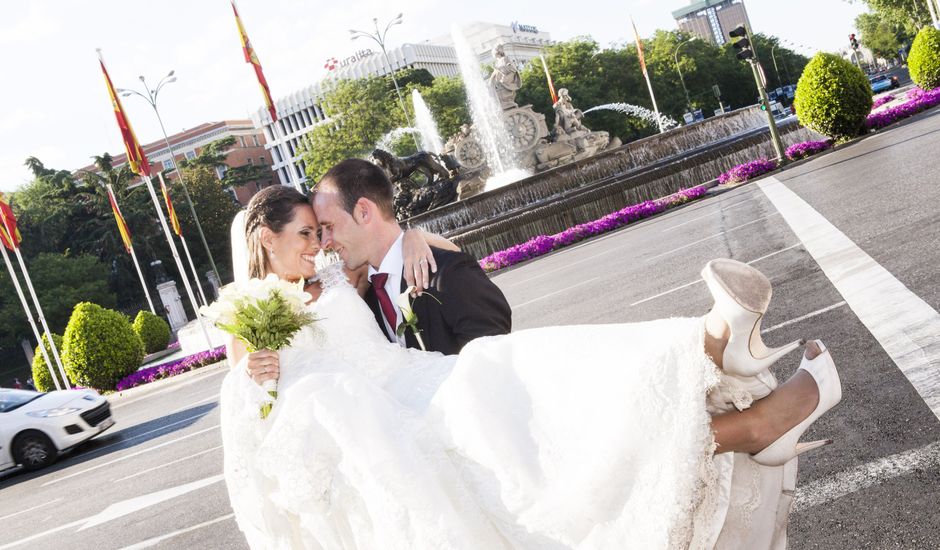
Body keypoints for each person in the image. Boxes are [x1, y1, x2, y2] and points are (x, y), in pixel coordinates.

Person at [220, 184, 842, 549]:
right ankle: (750, 426)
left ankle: (707, 345)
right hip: (391, 423)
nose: (317, 243)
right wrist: (264, 379)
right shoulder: (248, 317)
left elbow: (389, 251)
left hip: (420, 378)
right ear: (266, 238)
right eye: (305, 233)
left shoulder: (333, 277)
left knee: (525, 374)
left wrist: (413, 235)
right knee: (538, 461)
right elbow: (254, 424)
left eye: (318, 230)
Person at [313, 159, 512, 355]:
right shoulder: (363, 301)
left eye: (329, 227)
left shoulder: (449, 273)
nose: (324, 244)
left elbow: (495, 362)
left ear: (363, 212)